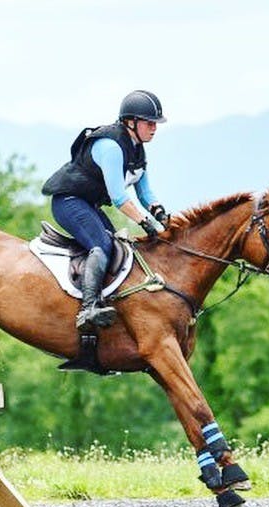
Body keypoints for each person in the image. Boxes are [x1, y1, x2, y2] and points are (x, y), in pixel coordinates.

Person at [42, 89, 170, 331]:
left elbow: (145, 194)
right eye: (149, 122)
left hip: (87, 204)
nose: (154, 128)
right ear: (131, 122)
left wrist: (161, 216)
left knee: (119, 247)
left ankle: (105, 301)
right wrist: (144, 222)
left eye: (155, 123)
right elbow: (119, 197)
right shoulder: (111, 146)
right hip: (68, 201)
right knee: (102, 246)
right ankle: (88, 309)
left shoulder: (138, 150)